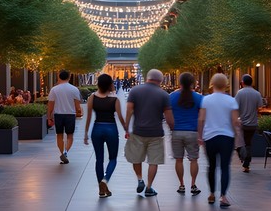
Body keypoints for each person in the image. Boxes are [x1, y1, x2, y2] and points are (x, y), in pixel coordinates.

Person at [125, 69, 173, 197]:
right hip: (156, 133)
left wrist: (126, 127)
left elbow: (129, 110)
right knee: (153, 161)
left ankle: (140, 179)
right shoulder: (163, 95)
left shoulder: (135, 91)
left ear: (147, 78)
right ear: (160, 80)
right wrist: (172, 129)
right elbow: (168, 117)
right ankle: (149, 187)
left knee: (136, 158)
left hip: (138, 131)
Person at [198, 73, 242, 208]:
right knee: (224, 167)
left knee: (211, 166)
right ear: (226, 84)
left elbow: (201, 119)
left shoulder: (206, 100)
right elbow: (235, 121)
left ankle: (211, 194)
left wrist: (200, 136)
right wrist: (237, 132)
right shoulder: (231, 101)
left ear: (212, 84)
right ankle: (223, 196)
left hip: (210, 137)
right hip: (226, 137)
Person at [83, 73, 128, 198]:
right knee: (112, 158)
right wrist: (126, 129)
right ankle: (106, 179)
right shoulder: (114, 100)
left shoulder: (92, 97)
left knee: (99, 159)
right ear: (109, 84)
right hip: (111, 128)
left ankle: (101, 190)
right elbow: (120, 117)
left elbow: (89, 117)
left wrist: (86, 133)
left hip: (97, 129)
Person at [169, 72, 203, 195]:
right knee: (194, 159)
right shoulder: (199, 98)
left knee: (179, 160)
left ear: (180, 82)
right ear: (192, 83)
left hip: (177, 131)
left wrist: (171, 127)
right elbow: (202, 117)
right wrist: (201, 134)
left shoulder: (172, 96)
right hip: (193, 132)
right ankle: (193, 185)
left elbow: (167, 114)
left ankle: (181, 184)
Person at [47, 70, 83, 164]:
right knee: (70, 135)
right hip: (70, 115)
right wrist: (79, 111)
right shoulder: (74, 89)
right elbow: (77, 106)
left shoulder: (54, 89)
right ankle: (66, 152)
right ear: (69, 77)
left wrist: (49, 117)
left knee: (59, 135)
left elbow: (50, 105)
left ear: (59, 77)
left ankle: (62, 152)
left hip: (58, 115)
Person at [234, 74, 265, 172]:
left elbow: (235, 107)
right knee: (248, 143)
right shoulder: (257, 93)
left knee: (240, 143)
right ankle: (246, 162)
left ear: (242, 83)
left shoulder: (240, 93)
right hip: (253, 123)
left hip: (242, 123)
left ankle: (245, 159)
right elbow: (260, 107)